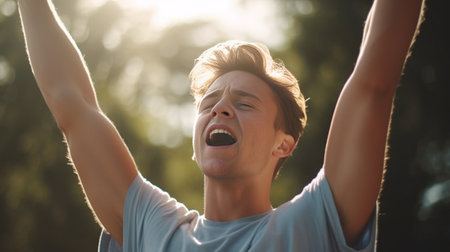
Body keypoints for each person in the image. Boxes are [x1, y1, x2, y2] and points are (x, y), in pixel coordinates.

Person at [17, 0, 425, 251]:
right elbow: (70, 102)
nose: (220, 109)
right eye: (209, 103)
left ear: (283, 144)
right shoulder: (153, 229)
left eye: (244, 103)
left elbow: (373, 82)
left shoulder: (315, 223)